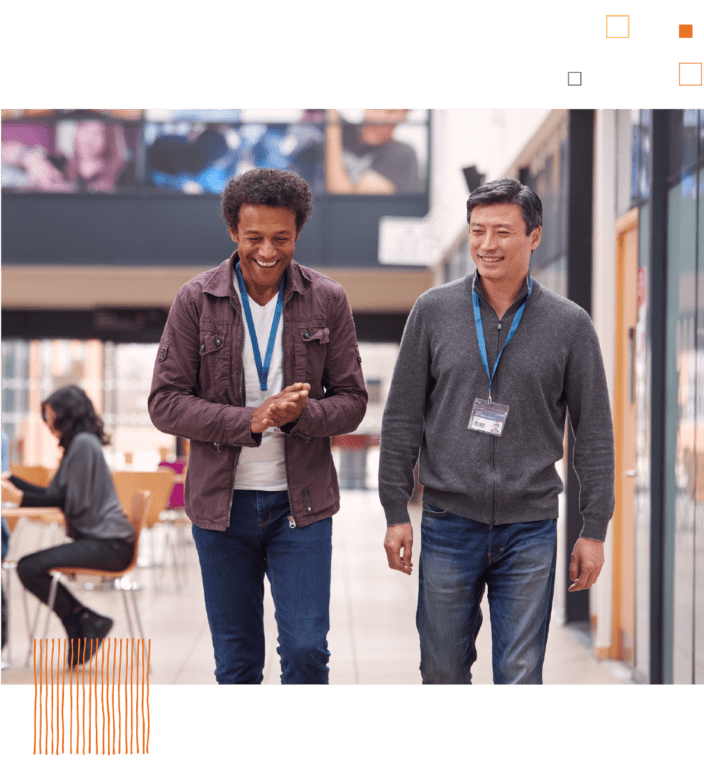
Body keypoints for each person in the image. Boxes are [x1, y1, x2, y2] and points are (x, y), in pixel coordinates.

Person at [379, 178, 614, 685]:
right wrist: (396, 510)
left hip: (529, 526)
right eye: (477, 230)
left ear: (534, 236)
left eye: (503, 231)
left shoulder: (570, 324)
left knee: (520, 674)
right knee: (441, 670)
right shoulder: (433, 311)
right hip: (448, 520)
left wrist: (593, 528)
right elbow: (400, 417)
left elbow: (594, 433)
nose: (487, 244)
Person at [148, 168, 367, 685]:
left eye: (281, 238)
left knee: (308, 652)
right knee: (238, 662)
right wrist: (251, 419)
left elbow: (353, 400)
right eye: (254, 239)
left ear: (298, 233)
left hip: (303, 505)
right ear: (233, 233)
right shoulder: (195, 301)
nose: (268, 251)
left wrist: (302, 415)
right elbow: (165, 403)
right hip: (221, 510)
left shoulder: (327, 299)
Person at [0, 386, 136, 667]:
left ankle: (84, 620)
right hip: (103, 541)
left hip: (109, 544)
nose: (47, 422)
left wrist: (19, 496)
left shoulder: (83, 444)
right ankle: (82, 623)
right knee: (28, 566)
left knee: (29, 567)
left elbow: (64, 500)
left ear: (65, 414)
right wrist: (11, 480)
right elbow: (54, 494)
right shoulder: (79, 444)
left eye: (50, 415)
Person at [325, 109, 421, 194]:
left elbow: (346, 202)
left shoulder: (402, 154)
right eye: (376, 108)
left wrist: (332, 127)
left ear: (404, 115)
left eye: (391, 112)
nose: (379, 118)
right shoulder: (343, 128)